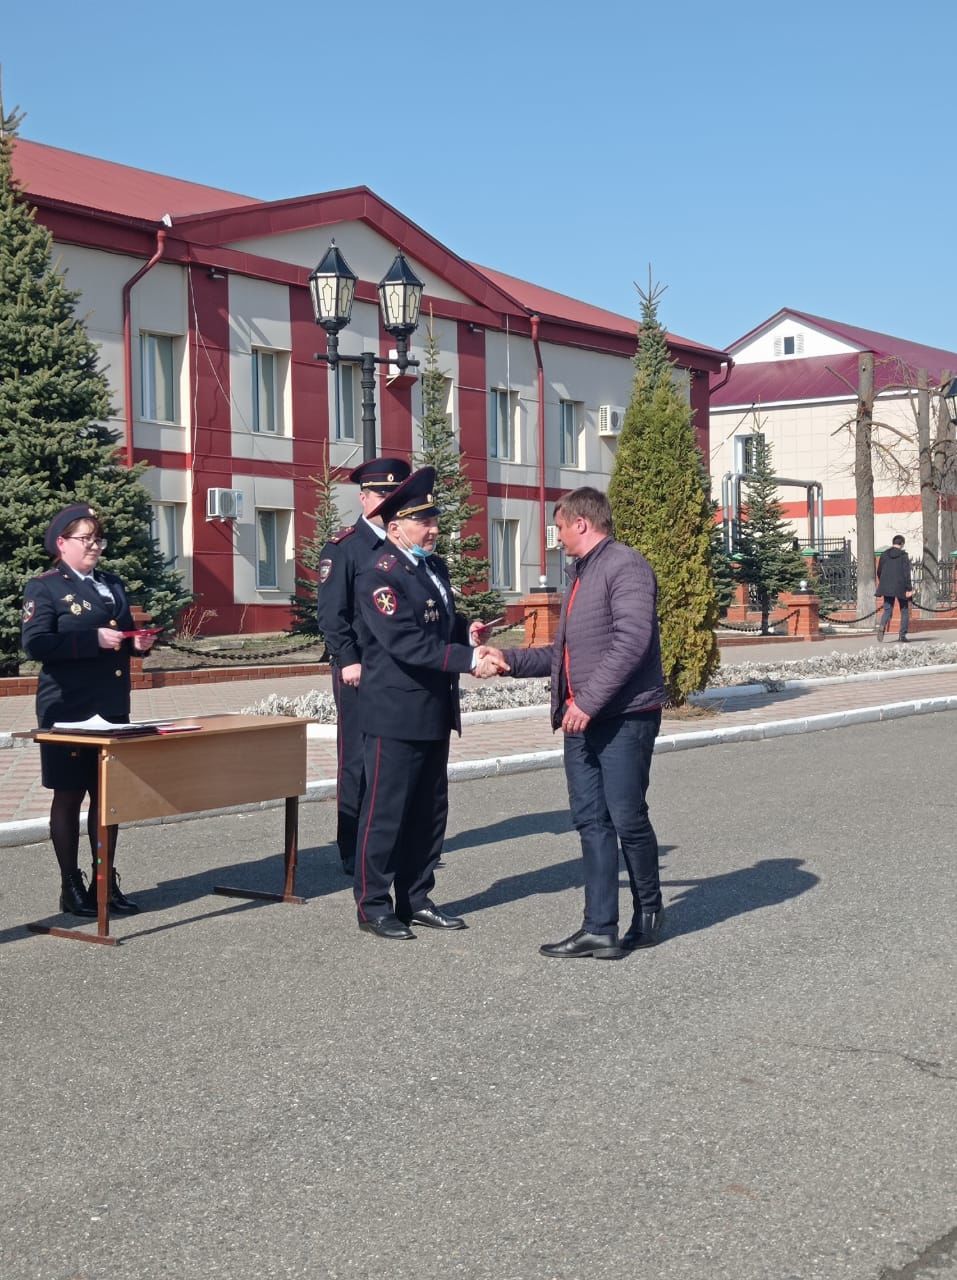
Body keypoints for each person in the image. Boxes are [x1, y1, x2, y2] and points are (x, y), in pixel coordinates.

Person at [485, 487, 666, 959]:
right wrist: (507, 659)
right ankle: (599, 927)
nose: (557, 536)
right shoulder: (581, 574)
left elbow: (633, 642)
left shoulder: (625, 566)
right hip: (581, 718)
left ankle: (648, 912)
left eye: (559, 526)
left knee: (627, 816)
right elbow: (563, 654)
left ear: (581, 523)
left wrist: (586, 701)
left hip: (623, 716)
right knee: (591, 821)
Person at [351, 466, 506, 940]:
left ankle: (416, 898)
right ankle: (373, 905)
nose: (435, 529)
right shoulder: (380, 575)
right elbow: (405, 643)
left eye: (435, 519)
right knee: (385, 812)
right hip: (396, 712)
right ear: (396, 527)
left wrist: (466, 633)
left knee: (429, 812)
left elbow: (438, 623)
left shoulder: (432, 566)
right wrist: (467, 659)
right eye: (425, 522)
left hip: (434, 710)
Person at [21, 503, 156, 916]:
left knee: (107, 795)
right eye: (86, 538)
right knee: (69, 793)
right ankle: (70, 885)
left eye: (98, 539)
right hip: (67, 706)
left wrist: (138, 644)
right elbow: (36, 645)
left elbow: (117, 634)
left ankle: (104, 878)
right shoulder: (44, 587)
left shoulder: (111, 583)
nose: (95, 546)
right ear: (62, 543)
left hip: (110, 705)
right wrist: (91, 641)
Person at [316, 457, 411, 876]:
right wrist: (347, 659)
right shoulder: (345, 547)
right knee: (356, 760)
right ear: (363, 497)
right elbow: (331, 614)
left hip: (398, 669)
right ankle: (351, 846)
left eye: (393, 494)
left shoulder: (402, 543)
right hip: (360, 671)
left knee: (393, 758)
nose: (386, 500)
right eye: (379, 493)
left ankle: (389, 840)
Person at [876, 534, 913, 642]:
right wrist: (909, 589)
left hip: (886, 586)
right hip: (901, 586)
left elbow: (879, 571)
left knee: (887, 609)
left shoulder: (884, 555)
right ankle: (902, 635)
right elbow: (907, 574)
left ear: (893, 543)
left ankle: (882, 625)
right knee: (904, 609)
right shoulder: (903, 555)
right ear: (901, 544)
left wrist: (883, 581)